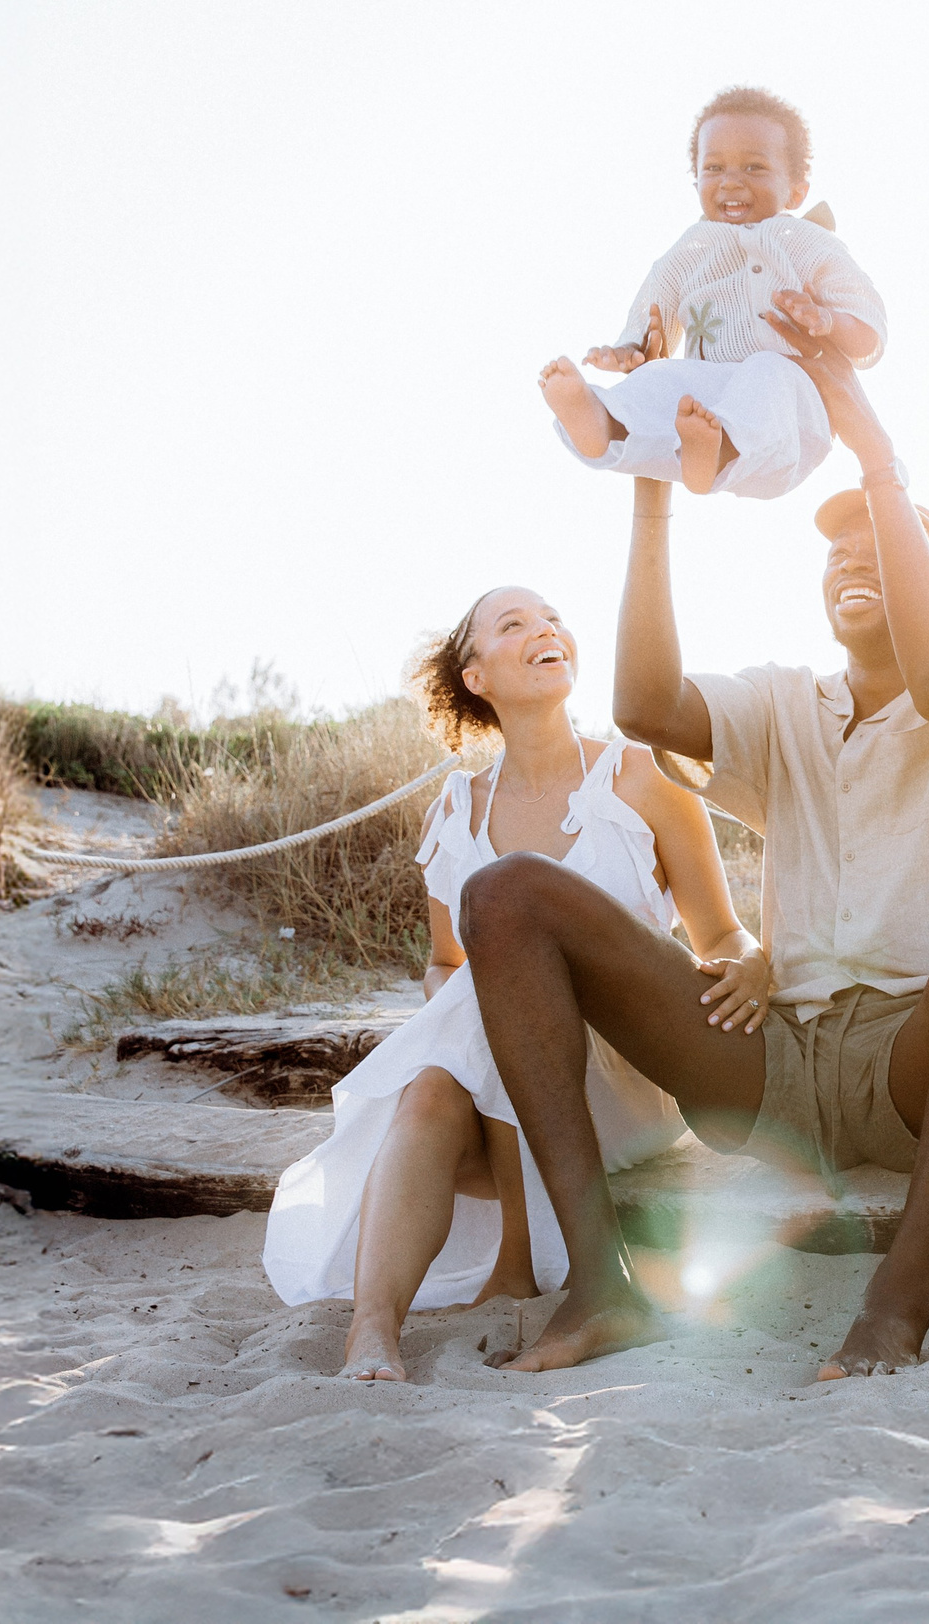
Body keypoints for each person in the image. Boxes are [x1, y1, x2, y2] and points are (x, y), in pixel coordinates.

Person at [461, 314, 929, 1379]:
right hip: (781, 1060)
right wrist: (652, 470)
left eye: (887, 547)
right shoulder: (790, 702)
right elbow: (646, 702)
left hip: (923, 1061)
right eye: (838, 548)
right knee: (507, 893)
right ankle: (597, 1284)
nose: (855, 557)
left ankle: (900, 1295)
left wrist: (875, 458)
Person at [260, 586, 766, 1382]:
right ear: (475, 675)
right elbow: (444, 967)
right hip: (501, 1087)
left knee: (486, 1008)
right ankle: (373, 1333)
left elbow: (721, 933)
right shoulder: (454, 811)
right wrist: (471, 1004)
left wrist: (751, 958)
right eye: (515, 623)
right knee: (433, 1084)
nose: (546, 629)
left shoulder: (642, 779)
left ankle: (517, 1261)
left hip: (623, 1075)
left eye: (554, 617)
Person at [537, 85, 889, 499]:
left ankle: (721, 448)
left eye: (754, 168)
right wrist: (627, 348)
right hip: (705, 402)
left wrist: (827, 319)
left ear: (796, 190)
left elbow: (868, 330)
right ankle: (605, 423)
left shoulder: (807, 241)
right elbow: (657, 297)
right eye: (715, 168)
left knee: (767, 371)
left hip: (792, 413)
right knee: (661, 376)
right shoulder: (695, 247)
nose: (731, 182)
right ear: (697, 180)